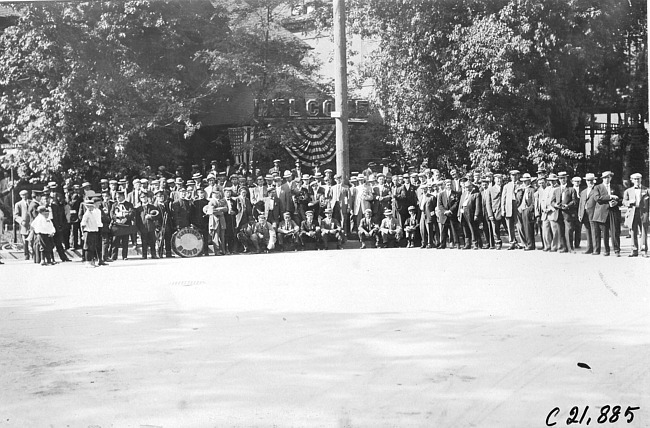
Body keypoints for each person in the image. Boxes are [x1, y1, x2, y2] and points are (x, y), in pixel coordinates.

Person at [578, 173, 606, 255]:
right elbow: (581, 203)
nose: (589, 182)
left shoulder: (597, 190)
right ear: (585, 181)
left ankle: (596, 249)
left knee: (595, 231)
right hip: (585, 213)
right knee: (588, 231)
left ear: (594, 181)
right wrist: (580, 214)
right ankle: (589, 248)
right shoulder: (583, 192)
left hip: (594, 213)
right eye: (587, 180)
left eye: (591, 180)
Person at [623, 172, 649, 257]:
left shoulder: (647, 190)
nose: (637, 181)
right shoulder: (628, 191)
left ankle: (644, 250)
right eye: (635, 179)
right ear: (632, 180)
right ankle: (634, 250)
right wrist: (629, 203)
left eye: (638, 179)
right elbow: (624, 201)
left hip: (643, 212)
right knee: (633, 231)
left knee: (644, 231)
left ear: (641, 180)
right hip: (632, 212)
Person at [599, 171, 623, 256]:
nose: (607, 179)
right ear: (602, 179)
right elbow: (598, 198)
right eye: (605, 178)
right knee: (605, 232)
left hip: (614, 211)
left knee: (615, 231)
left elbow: (621, 199)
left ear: (611, 178)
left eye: (608, 177)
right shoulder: (598, 187)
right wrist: (610, 197)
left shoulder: (615, 187)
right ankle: (606, 250)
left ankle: (617, 250)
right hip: (603, 211)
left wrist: (617, 202)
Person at [458, 178, 483, 250]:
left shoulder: (476, 194)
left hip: (471, 213)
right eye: (466, 187)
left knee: (472, 229)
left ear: (472, 186)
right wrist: (459, 214)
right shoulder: (463, 194)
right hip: (463, 213)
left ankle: (475, 243)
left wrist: (476, 215)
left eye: (468, 187)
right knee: (465, 229)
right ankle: (467, 244)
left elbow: (478, 206)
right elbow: (460, 204)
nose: (467, 188)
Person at [110, 190, 135, 261]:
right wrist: (116, 219)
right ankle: (114, 256)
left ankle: (125, 256)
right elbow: (111, 213)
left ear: (123, 197)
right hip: (117, 225)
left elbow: (132, 212)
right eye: (117, 197)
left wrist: (126, 218)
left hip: (126, 225)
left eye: (119, 197)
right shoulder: (114, 205)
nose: (118, 199)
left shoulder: (129, 204)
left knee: (125, 241)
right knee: (115, 241)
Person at [80, 198, 105, 267]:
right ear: (87, 207)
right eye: (90, 206)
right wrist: (83, 234)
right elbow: (83, 224)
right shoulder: (86, 214)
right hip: (88, 231)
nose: (92, 207)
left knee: (92, 247)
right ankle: (87, 261)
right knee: (88, 248)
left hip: (93, 231)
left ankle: (91, 261)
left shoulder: (92, 213)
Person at [135, 193, 160, 259]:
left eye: (145, 197)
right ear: (140, 199)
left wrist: (151, 217)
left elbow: (157, 216)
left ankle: (153, 254)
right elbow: (137, 219)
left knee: (152, 241)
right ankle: (144, 255)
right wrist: (138, 229)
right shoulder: (138, 209)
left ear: (147, 198)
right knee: (144, 242)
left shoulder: (152, 207)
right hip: (143, 227)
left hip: (151, 227)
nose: (144, 198)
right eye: (142, 197)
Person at [437, 179, 460, 249]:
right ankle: (443, 244)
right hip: (444, 215)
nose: (449, 186)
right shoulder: (441, 194)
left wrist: (450, 210)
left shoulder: (455, 193)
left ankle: (456, 243)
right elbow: (440, 204)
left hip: (451, 214)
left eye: (450, 184)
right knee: (443, 230)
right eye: (447, 185)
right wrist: (444, 211)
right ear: (445, 185)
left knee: (453, 229)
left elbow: (456, 203)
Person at [517, 173, 536, 251]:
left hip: (528, 210)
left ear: (529, 181)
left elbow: (533, 202)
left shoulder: (532, 190)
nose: (524, 183)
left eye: (526, 181)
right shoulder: (523, 190)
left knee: (529, 228)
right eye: (523, 181)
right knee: (524, 227)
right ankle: (528, 243)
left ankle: (530, 244)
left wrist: (529, 209)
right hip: (523, 210)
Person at [14, 189, 32, 260]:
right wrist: (21, 221)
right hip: (24, 225)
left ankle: (34, 254)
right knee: (25, 240)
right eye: (22, 195)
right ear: (20, 196)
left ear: (28, 195)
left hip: (32, 224)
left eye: (25, 194)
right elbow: (16, 216)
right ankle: (26, 254)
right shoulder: (18, 204)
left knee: (33, 239)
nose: (24, 196)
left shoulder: (31, 202)